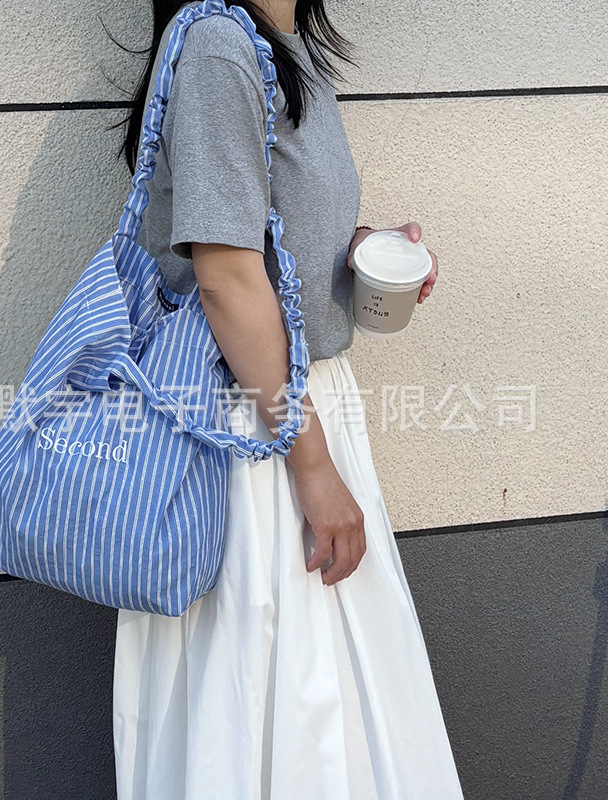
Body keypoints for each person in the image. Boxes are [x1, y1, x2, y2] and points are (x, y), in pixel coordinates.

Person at [109, 1, 464, 797]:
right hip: (252, 434)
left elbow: (262, 243)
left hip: (291, 410)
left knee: (306, 692)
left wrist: (362, 249)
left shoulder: (283, 45)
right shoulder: (220, 47)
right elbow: (226, 277)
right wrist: (311, 466)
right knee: (283, 690)